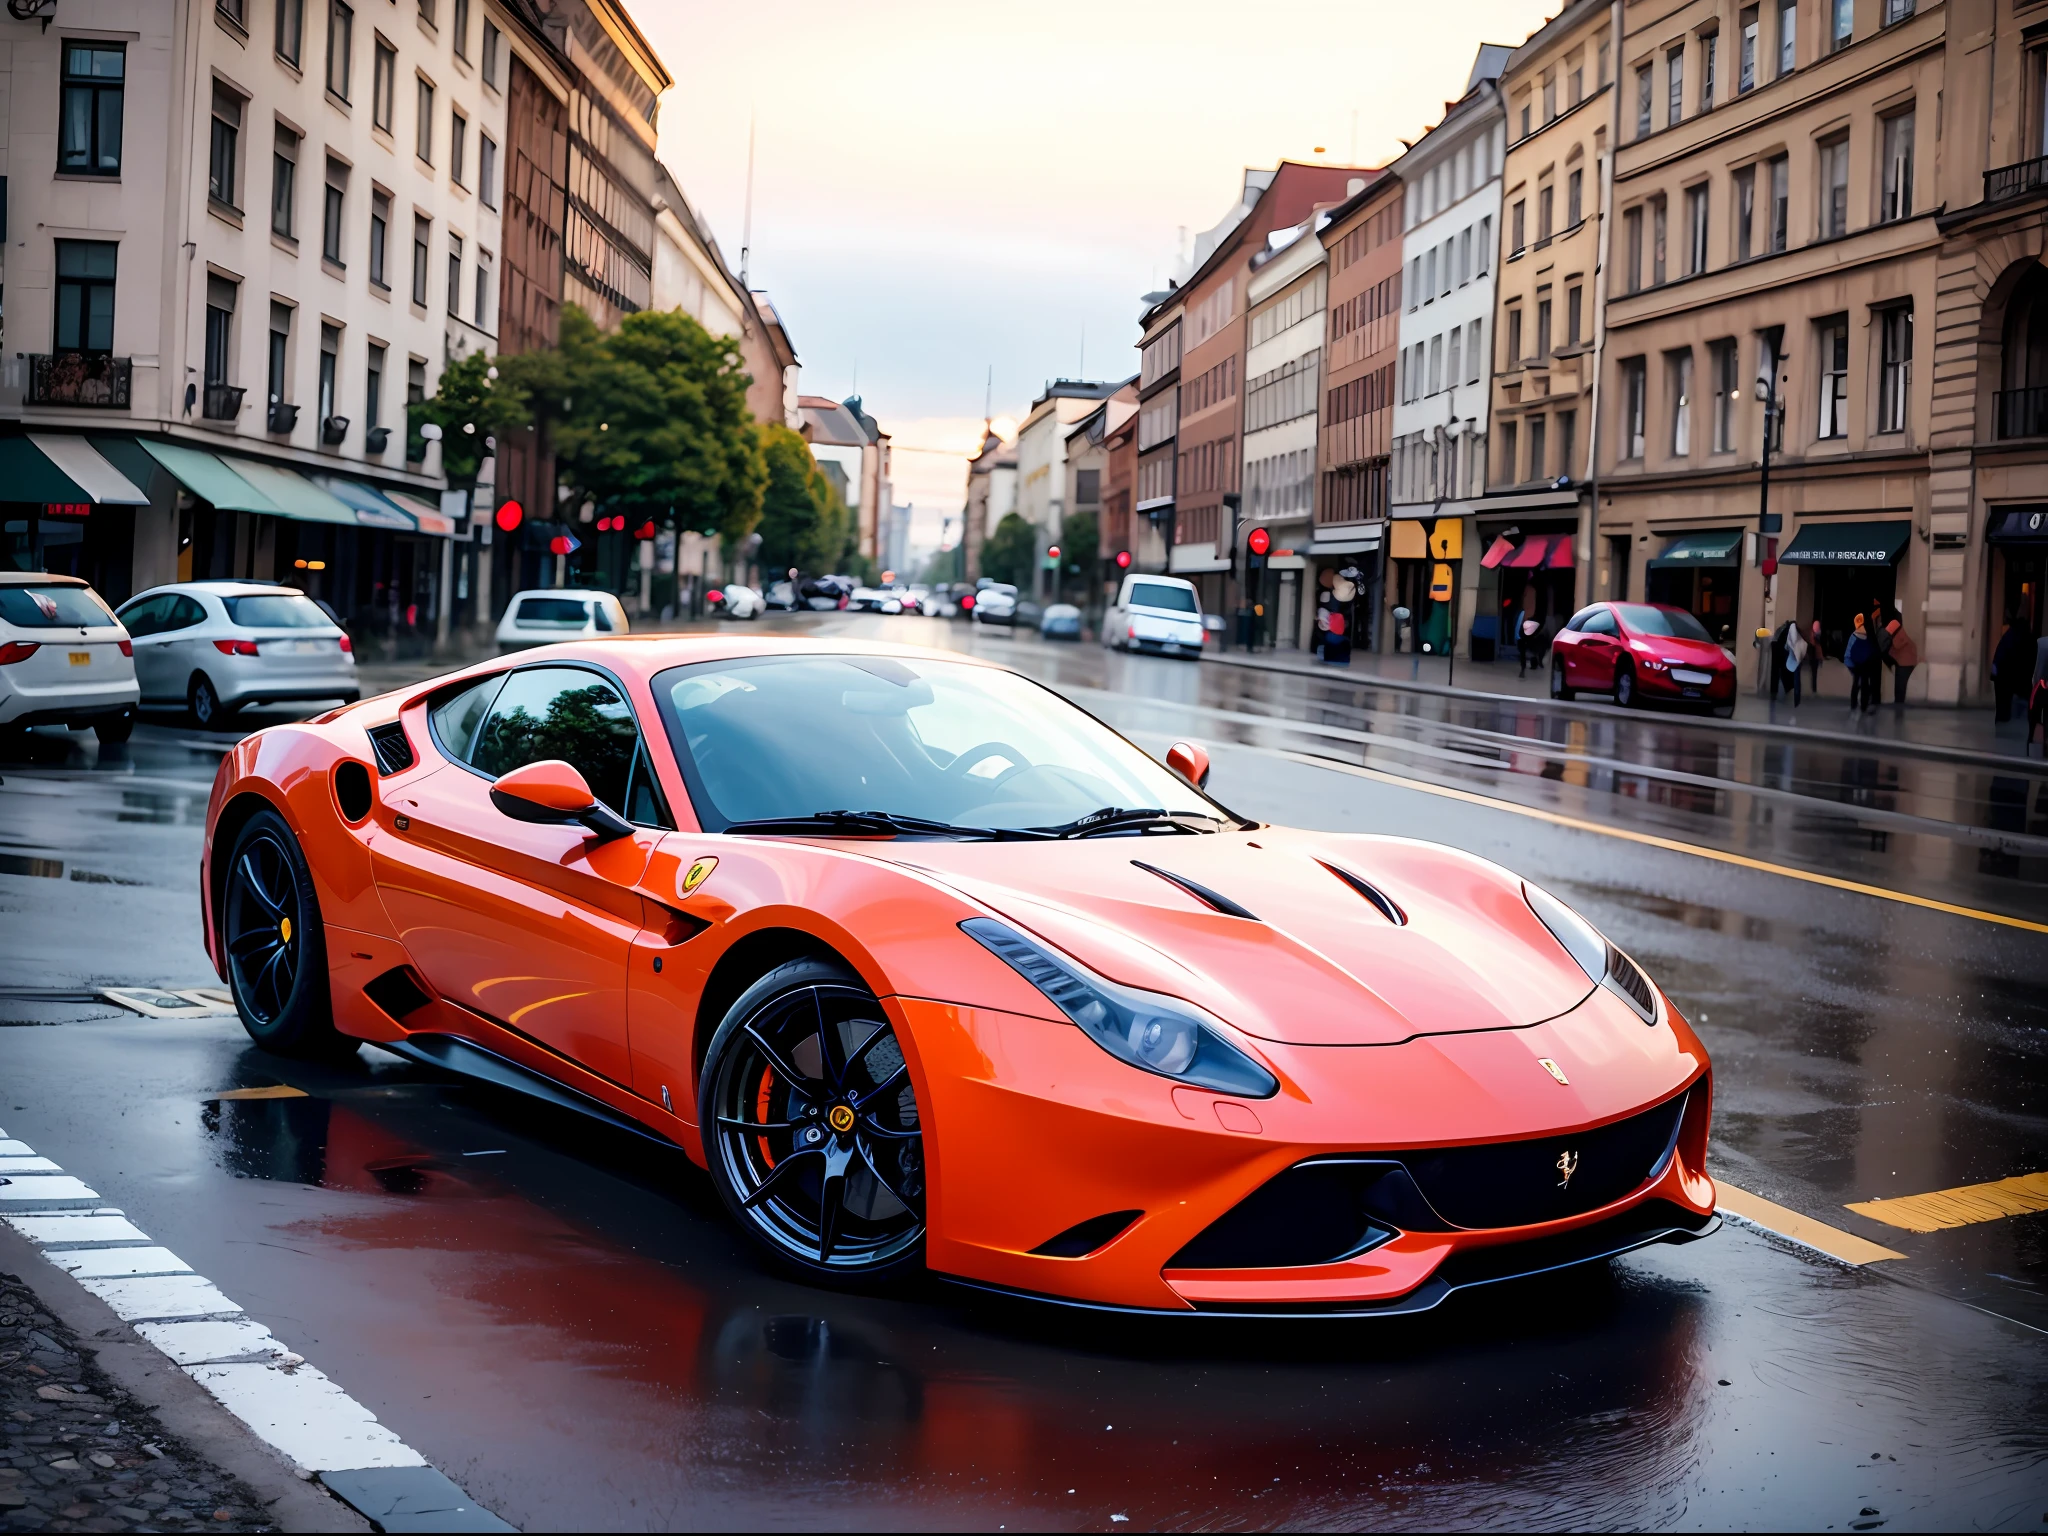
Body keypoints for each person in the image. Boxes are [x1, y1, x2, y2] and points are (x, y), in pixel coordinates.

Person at [1991, 613, 2029, 723]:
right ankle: (2004, 716)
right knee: (2006, 697)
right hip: (2009, 674)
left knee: (2003, 696)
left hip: (2004, 673)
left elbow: (2002, 653)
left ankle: (2002, 716)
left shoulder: (2010, 636)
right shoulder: (2019, 637)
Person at [1885, 609, 1919, 705]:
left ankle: (1899, 704)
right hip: (1905, 661)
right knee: (1900, 684)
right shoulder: (1900, 630)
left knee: (1901, 684)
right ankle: (1898, 703)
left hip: (1905, 662)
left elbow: (1896, 645)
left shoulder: (1899, 631)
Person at [1844, 614, 1875, 713]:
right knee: (1864, 683)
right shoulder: (1867, 635)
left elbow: (1849, 652)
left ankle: (1854, 704)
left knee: (1856, 683)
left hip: (1854, 663)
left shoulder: (1853, 635)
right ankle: (1863, 706)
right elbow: (1870, 650)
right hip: (1864, 663)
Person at [1807, 617, 1825, 696]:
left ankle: (1813, 688)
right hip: (1814, 657)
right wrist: (1820, 658)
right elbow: (1818, 649)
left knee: (1813, 673)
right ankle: (1814, 689)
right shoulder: (1815, 638)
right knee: (1814, 673)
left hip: (1813, 657)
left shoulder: (1812, 636)